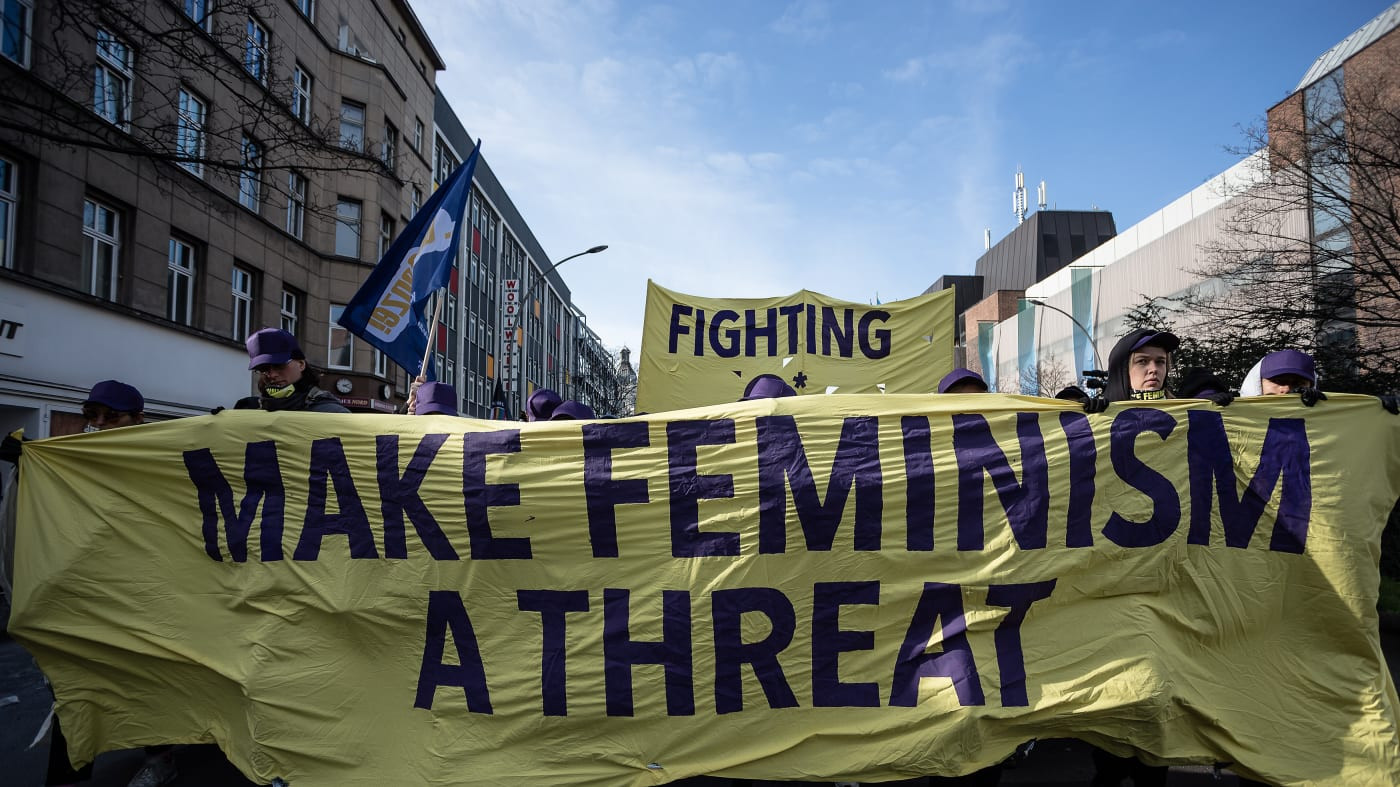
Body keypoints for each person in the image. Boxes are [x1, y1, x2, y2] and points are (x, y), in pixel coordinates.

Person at [245, 328, 349, 413]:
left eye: (279, 365)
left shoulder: (332, 413)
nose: (272, 375)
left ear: (301, 364)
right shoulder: (248, 410)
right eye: (263, 369)